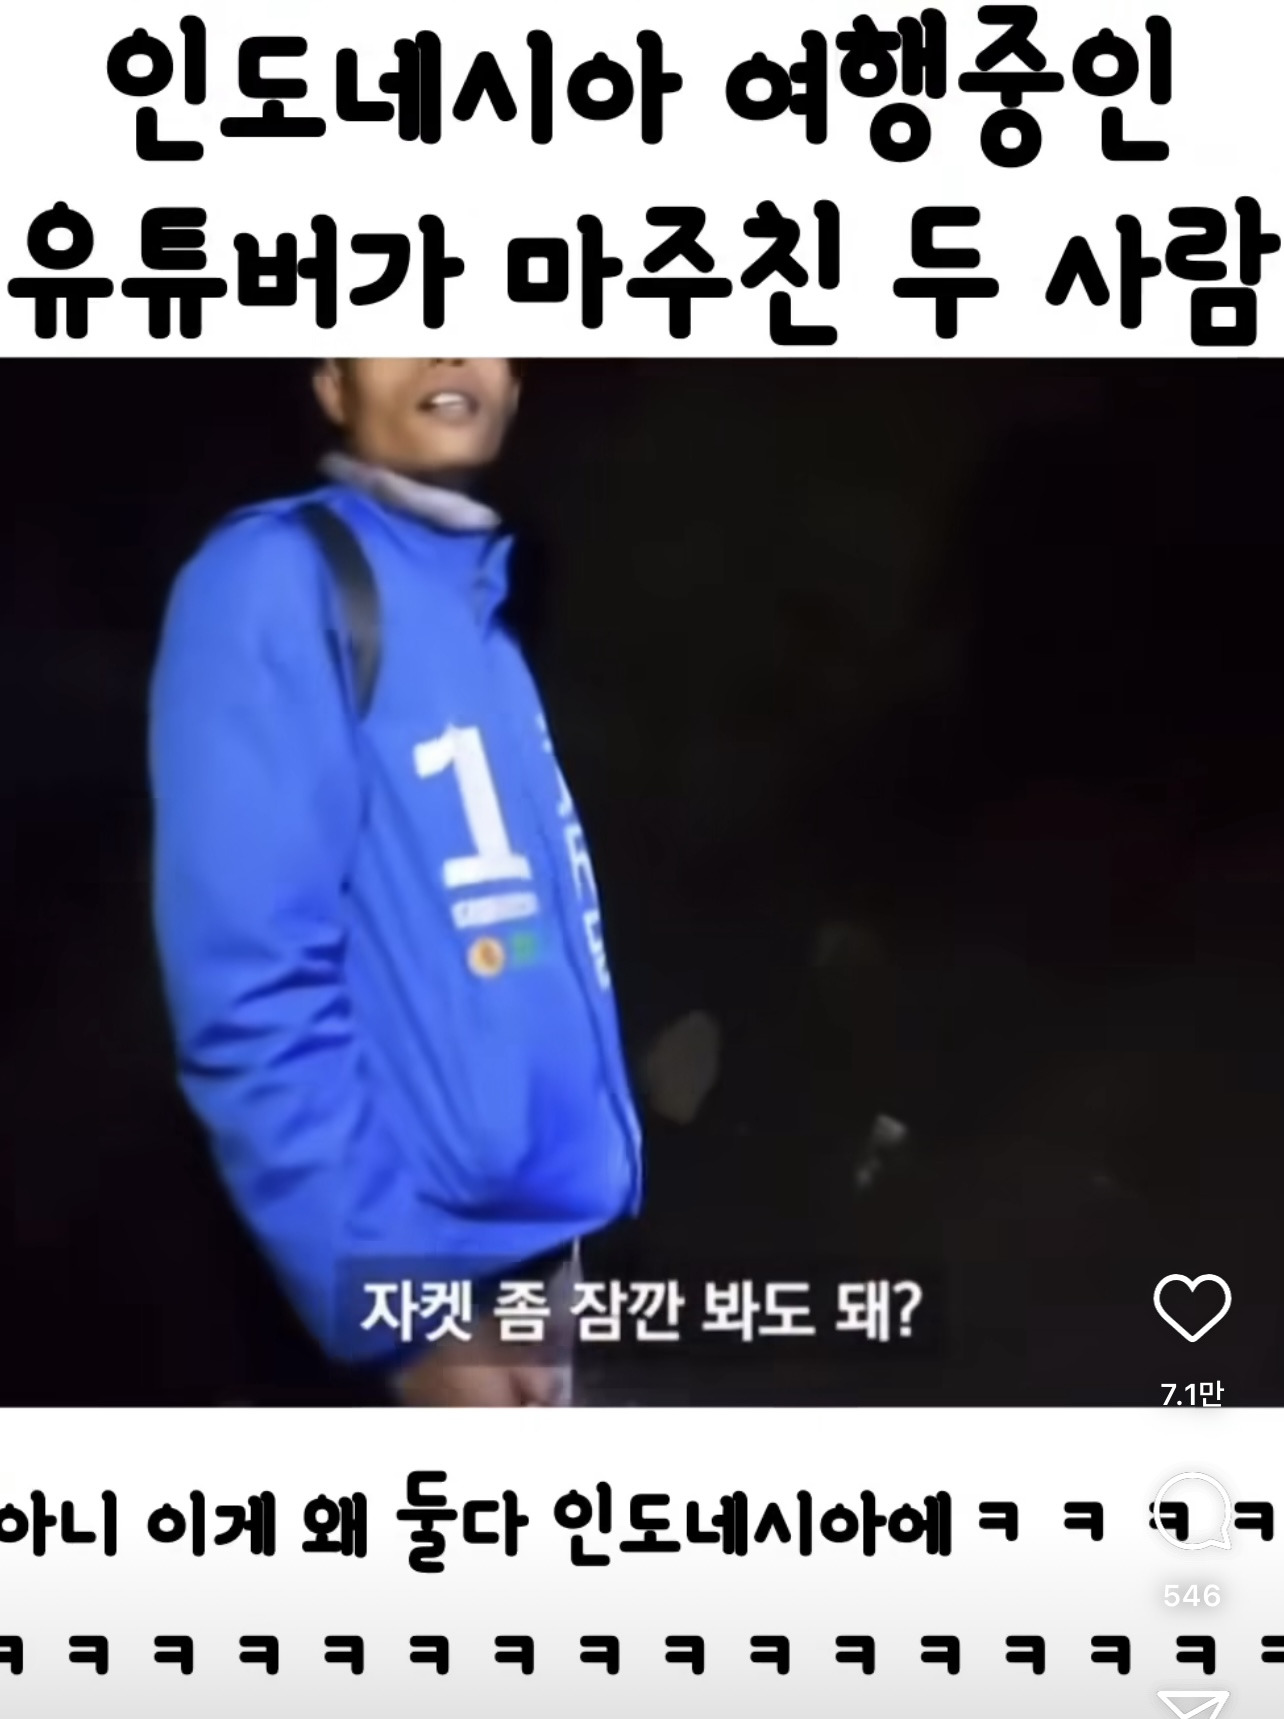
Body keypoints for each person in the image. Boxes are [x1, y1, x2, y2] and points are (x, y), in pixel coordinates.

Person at [148, 359, 643, 1405]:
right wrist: (408, 1323)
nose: (447, 347)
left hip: (541, 1266)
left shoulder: (474, 603)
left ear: (516, 384)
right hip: (429, 1283)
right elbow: (252, 993)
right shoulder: (276, 578)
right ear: (332, 385)